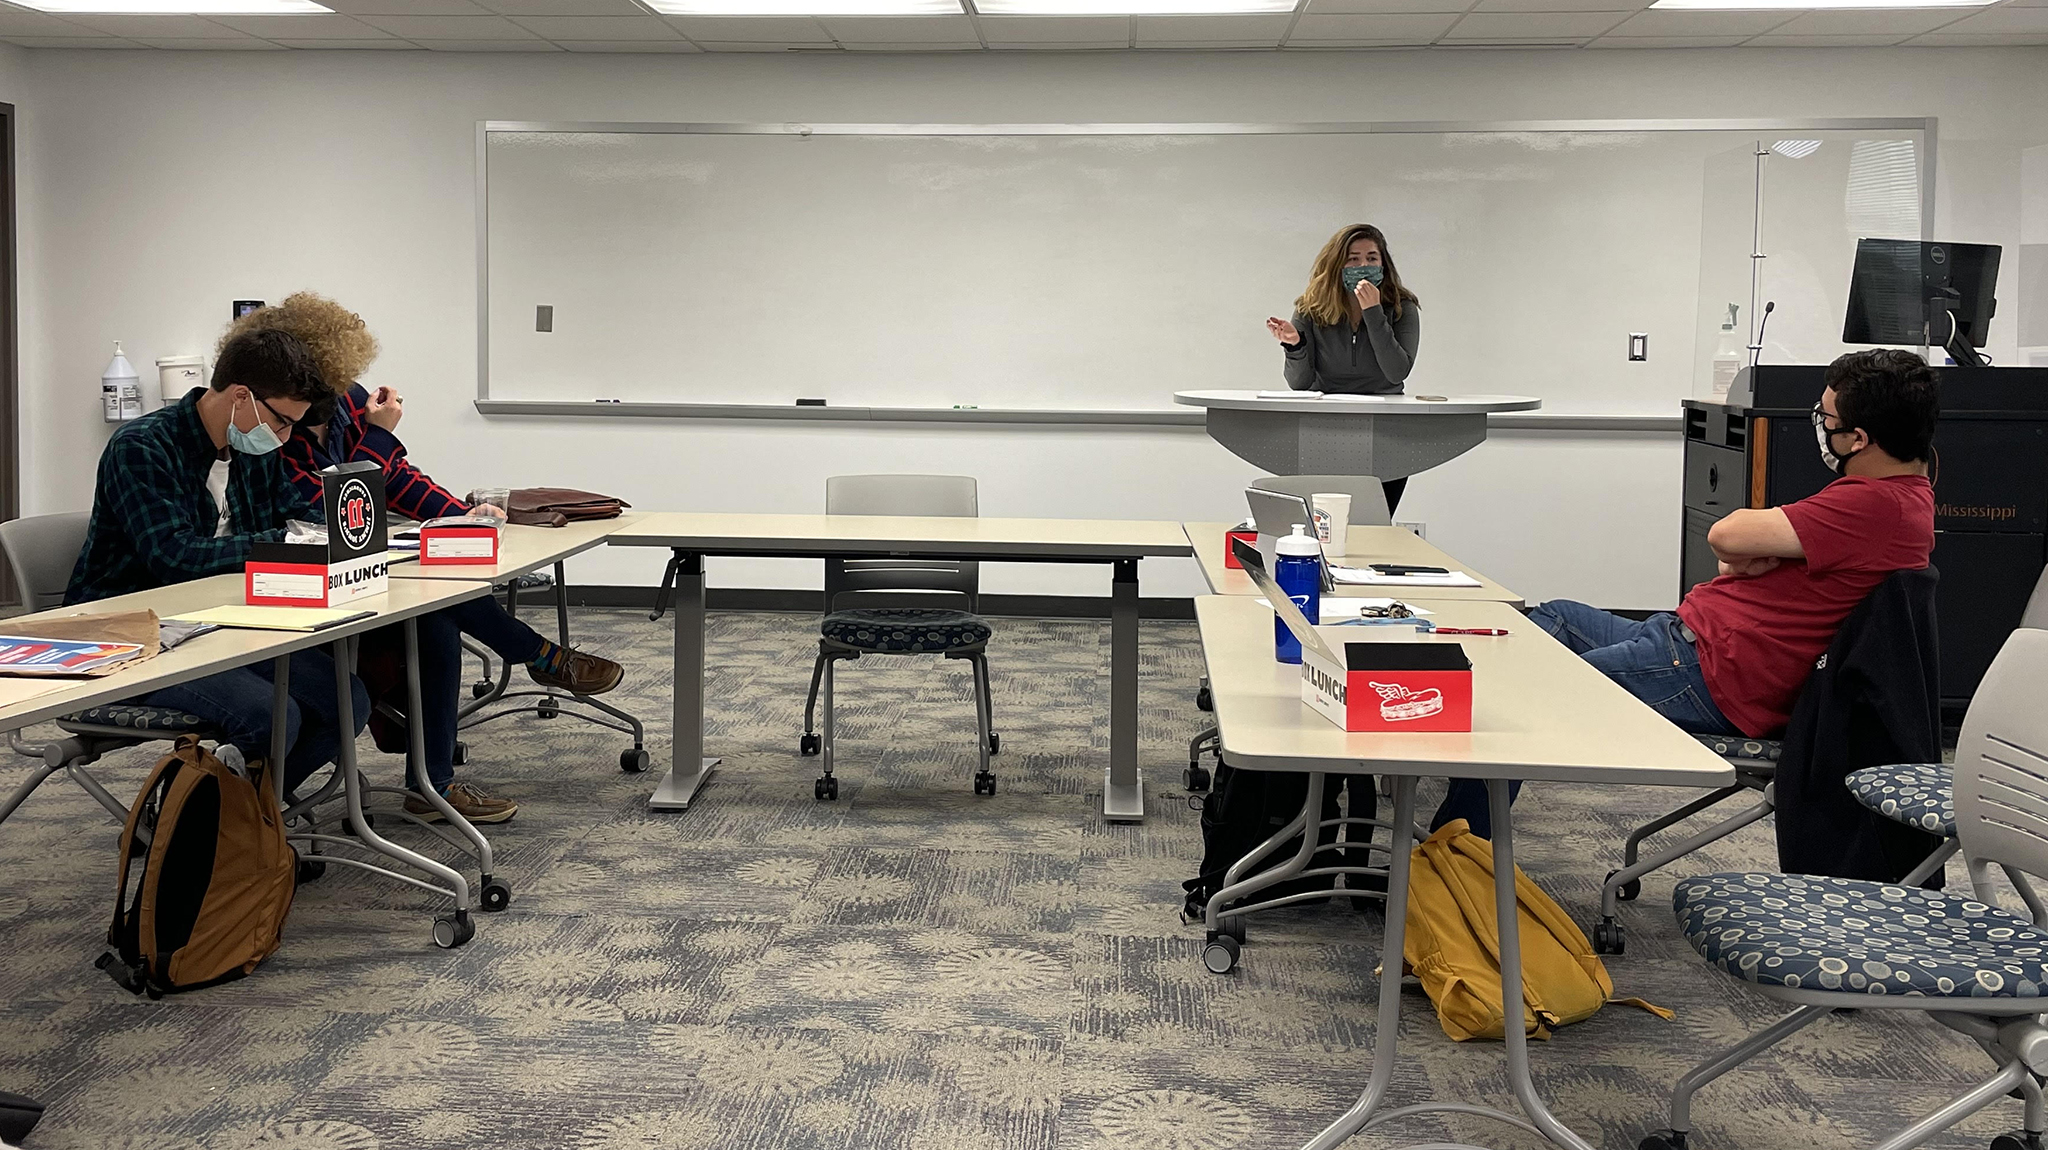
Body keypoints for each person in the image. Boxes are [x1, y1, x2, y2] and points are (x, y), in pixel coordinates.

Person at [1433, 348, 1939, 837]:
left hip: (1709, 673)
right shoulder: (1894, 499)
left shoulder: (1876, 506)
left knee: (1524, 698)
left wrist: (1748, 551)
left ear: (1858, 439)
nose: (1819, 426)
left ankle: (1458, 855)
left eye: (1826, 417)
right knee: (1555, 619)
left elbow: (1726, 536)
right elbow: (1733, 553)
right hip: (1688, 640)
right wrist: (1750, 553)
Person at [231, 293, 624, 826]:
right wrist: (377, 434)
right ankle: (536, 660)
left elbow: (397, 477)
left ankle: (433, 784)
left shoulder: (348, 402)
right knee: (433, 610)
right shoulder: (271, 434)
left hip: (363, 571)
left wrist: (460, 515)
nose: (338, 389)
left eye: (336, 376)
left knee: (436, 614)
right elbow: (332, 510)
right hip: (314, 590)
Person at [65, 329, 369, 797]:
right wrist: (284, 540)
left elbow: (295, 514)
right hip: (132, 637)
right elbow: (174, 556)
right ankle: (206, 833)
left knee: (348, 701)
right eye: (283, 422)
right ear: (241, 397)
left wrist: (337, 531)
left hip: (223, 625)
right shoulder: (142, 447)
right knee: (270, 715)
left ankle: (248, 823)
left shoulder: (253, 447)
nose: (285, 437)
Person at [1267, 223, 1422, 514]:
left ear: (1383, 263)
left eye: (1372, 258)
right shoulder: (1310, 308)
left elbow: (1396, 371)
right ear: (1338, 263)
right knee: (1323, 520)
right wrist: (1294, 345)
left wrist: (1373, 312)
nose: (1363, 265)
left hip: (1385, 432)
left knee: (1373, 521)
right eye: (1353, 259)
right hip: (1323, 427)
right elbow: (1299, 384)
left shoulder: (1402, 307)